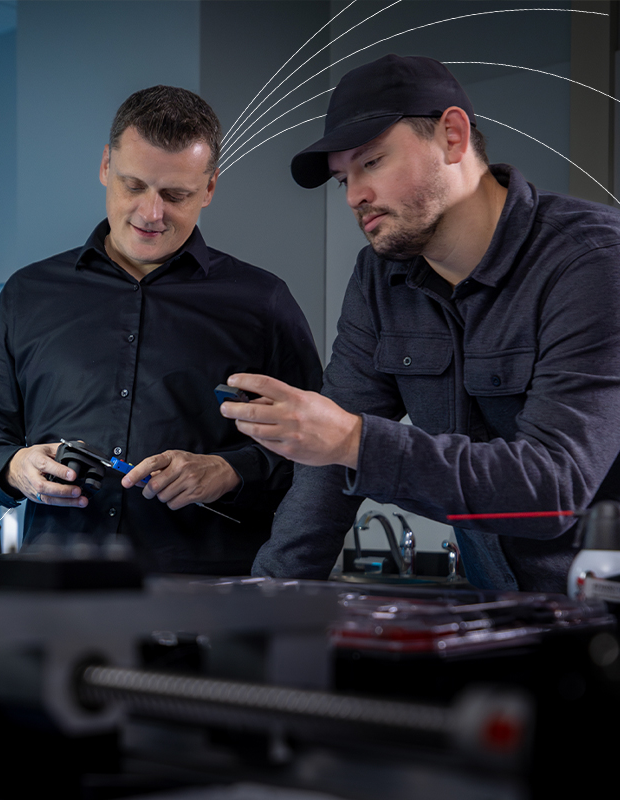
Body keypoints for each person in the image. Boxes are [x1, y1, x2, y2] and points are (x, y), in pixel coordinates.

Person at [219, 54, 620, 593]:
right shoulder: (379, 279)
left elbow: (553, 492)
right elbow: (324, 471)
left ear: (452, 136)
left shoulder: (592, 261)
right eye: (343, 179)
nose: (355, 196)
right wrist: (266, 602)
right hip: (500, 615)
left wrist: (355, 441)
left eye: (372, 162)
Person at [0, 85, 322, 575]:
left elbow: (317, 450)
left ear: (209, 188)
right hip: (56, 591)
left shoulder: (263, 302)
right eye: (133, 186)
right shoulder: (28, 293)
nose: (152, 213)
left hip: (209, 597)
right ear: (106, 166)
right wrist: (13, 466)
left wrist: (230, 470)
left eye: (176, 195)